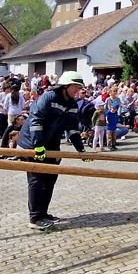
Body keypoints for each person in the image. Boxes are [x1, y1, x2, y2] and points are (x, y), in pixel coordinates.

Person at [17, 71, 89, 231]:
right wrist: (38, 146)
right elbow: (36, 120)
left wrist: (81, 149)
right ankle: (35, 218)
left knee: (50, 179)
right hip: (32, 143)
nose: (78, 90)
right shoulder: (49, 97)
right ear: (66, 85)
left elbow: (72, 128)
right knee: (36, 180)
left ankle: (43, 213)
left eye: (79, 87)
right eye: (76, 87)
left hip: (52, 144)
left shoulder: (71, 104)